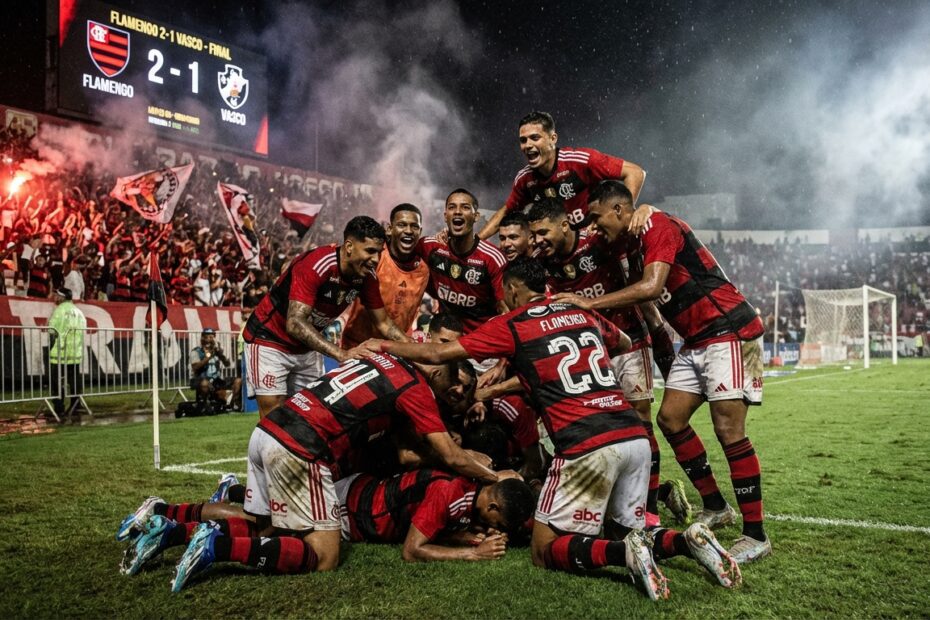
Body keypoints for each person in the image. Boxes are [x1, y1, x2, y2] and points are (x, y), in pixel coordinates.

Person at [358, 258, 667, 598]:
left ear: (514, 289)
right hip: (633, 433)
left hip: (585, 440)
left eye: (504, 291)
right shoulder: (580, 310)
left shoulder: (513, 323)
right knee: (621, 530)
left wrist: (382, 344)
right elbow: (623, 343)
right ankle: (684, 541)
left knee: (544, 550)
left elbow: (438, 354)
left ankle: (625, 554)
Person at [168, 351, 520, 592]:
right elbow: (450, 459)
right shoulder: (417, 391)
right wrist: (495, 475)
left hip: (272, 428)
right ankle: (215, 545)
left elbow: (406, 451)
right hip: (304, 446)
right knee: (324, 556)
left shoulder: (388, 359)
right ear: (437, 370)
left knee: (263, 526)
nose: (455, 392)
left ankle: (167, 523)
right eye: (454, 384)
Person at [555, 180, 770, 564]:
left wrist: (588, 304)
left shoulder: (656, 226)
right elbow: (582, 243)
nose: (594, 226)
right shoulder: (624, 241)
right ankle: (716, 506)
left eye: (597, 217)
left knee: (728, 429)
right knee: (670, 419)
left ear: (619, 210)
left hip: (729, 330)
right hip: (697, 338)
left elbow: (652, 287)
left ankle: (756, 534)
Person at [525, 198, 688, 525]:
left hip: (629, 339)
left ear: (564, 225)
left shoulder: (598, 241)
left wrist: (648, 208)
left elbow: (631, 226)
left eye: (543, 233)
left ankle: (649, 510)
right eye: (534, 234)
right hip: (589, 351)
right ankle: (636, 499)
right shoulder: (542, 262)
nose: (538, 240)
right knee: (599, 427)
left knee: (640, 422)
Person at [118, 468, 535, 575]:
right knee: (261, 524)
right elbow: (413, 551)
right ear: (492, 507)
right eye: (499, 525)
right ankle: (165, 513)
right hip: (345, 506)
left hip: (357, 496)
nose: (495, 532)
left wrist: (465, 537)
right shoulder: (449, 493)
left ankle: (229, 491)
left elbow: (438, 523)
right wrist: (473, 555)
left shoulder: (472, 491)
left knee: (263, 513)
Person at [242, 216, 409, 418]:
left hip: (306, 348)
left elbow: (383, 323)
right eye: (370, 251)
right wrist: (341, 354)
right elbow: (295, 323)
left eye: (379, 252)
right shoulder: (317, 264)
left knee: (311, 416)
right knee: (275, 416)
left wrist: (415, 348)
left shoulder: (367, 277)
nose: (375, 259)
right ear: (349, 246)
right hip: (269, 340)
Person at [479, 111, 646, 239]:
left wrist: (626, 216)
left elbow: (635, 172)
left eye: (534, 138)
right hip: (560, 250)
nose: (527, 145)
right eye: (523, 140)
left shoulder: (580, 161)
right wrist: (476, 242)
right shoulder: (524, 180)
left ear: (553, 138)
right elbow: (505, 212)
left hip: (595, 240)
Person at [414, 189, 507, 334]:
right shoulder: (429, 247)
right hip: (445, 335)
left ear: (476, 216)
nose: (457, 212)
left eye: (465, 207)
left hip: (479, 339)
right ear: (445, 216)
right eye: (452, 207)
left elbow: (505, 310)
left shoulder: (493, 258)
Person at [341, 204, 429, 348]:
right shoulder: (373, 256)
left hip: (396, 347)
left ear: (420, 231)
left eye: (414, 226)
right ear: (389, 229)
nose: (408, 231)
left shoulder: (425, 268)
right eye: (402, 225)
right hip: (357, 346)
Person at [48, 287, 86, 423]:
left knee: (57, 381)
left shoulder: (59, 310)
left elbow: (52, 330)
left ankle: (59, 408)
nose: (55, 297)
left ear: (62, 297)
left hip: (60, 352)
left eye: (57, 295)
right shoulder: (79, 312)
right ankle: (76, 406)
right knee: (74, 380)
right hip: (75, 353)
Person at [189, 328, 242, 412]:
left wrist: (220, 354)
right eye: (208, 337)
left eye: (212, 337)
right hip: (201, 379)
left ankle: (232, 404)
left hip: (217, 380)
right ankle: (206, 405)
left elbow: (227, 364)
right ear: (203, 338)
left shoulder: (216, 351)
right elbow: (195, 367)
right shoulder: (196, 351)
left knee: (238, 381)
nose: (210, 339)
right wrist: (208, 356)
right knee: (205, 383)